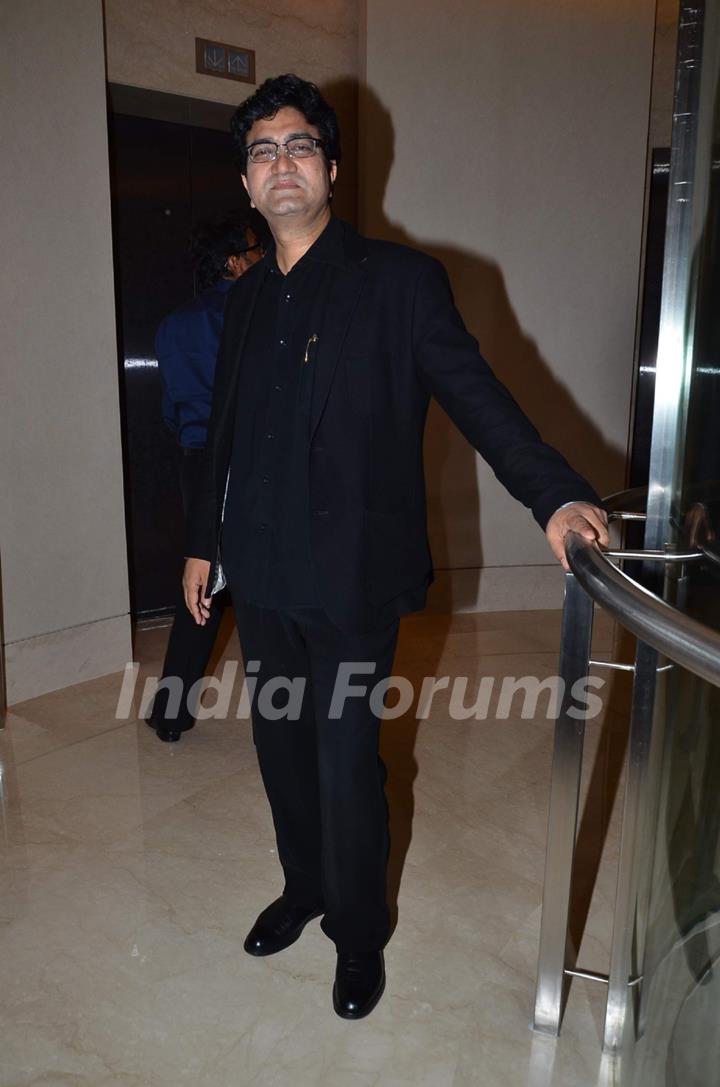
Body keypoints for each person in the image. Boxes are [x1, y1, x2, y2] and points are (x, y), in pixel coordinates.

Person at [182, 74, 610, 1018]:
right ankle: (304, 890)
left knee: (346, 766)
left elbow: (481, 398)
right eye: (262, 152)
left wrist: (554, 496)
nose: (281, 164)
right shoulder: (246, 301)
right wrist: (200, 543)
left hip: (352, 581)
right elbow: (224, 430)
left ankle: (358, 933)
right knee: (281, 753)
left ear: (331, 169)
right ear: (248, 186)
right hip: (261, 571)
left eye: (298, 147)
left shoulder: (401, 283)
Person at [147, 215, 263, 743]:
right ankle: (281, 714)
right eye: (253, 249)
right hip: (251, 460)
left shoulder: (172, 325)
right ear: (233, 261)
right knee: (266, 582)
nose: (261, 255)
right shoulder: (254, 311)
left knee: (201, 586)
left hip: (196, 460)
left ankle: (171, 713)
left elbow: (172, 407)